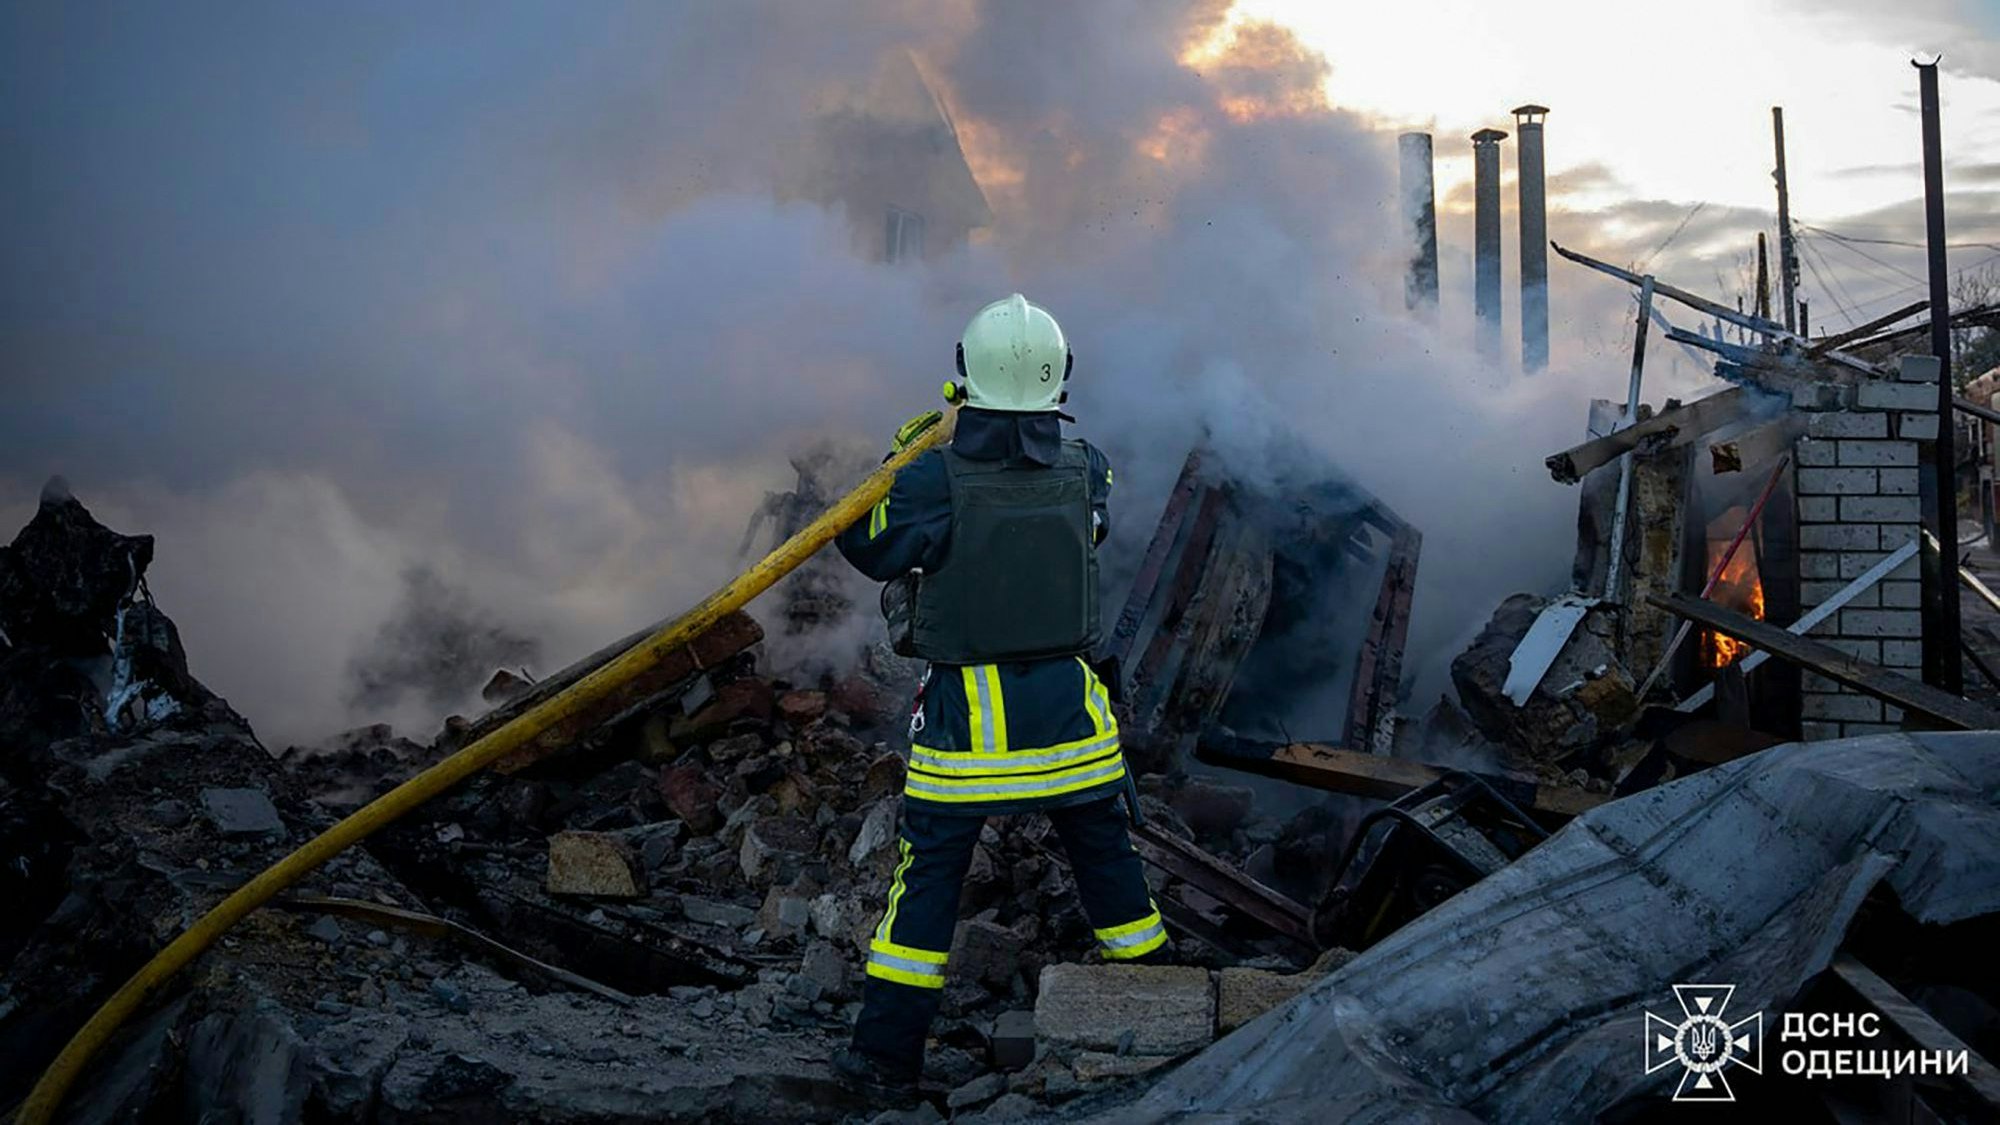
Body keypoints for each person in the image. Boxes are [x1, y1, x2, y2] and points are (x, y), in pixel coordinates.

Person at [830, 294, 1168, 1095]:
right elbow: (1090, 529)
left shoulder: (933, 480)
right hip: (1072, 723)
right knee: (1110, 867)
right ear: (1061, 379)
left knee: (927, 887)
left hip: (970, 733)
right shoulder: (1086, 465)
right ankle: (1163, 1007)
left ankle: (884, 1061)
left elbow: (862, 540)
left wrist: (902, 455)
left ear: (963, 376)